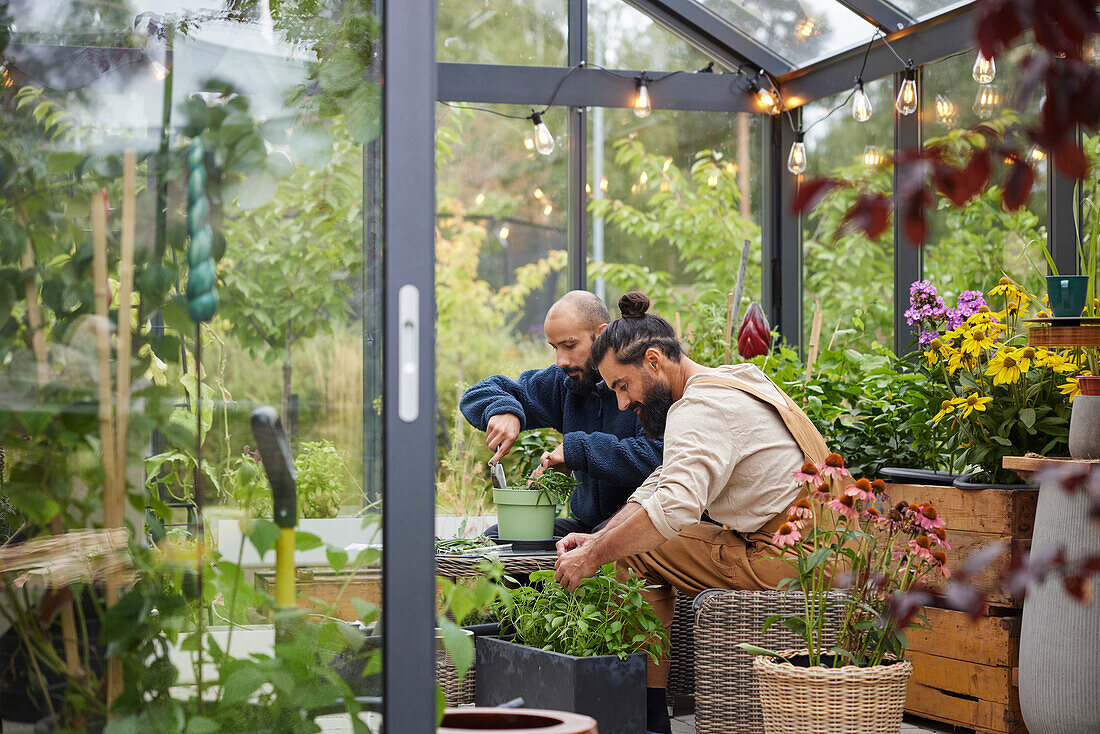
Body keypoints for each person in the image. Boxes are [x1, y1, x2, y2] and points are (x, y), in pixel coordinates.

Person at [553, 292, 828, 734]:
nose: (622, 404)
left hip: (799, 559)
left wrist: (594, 556)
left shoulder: (697, 409)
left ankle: (645, 720)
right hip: (815, 545)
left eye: (623, 385)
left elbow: (673, 507)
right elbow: (663, 482)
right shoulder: (729, 381)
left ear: (655, 362)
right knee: (628, 541)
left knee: (634, 553)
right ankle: (648, 715)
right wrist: (600, 534)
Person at [460, 290, 664, 538]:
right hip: (586, 526)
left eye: (569, 345)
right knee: (500, 540)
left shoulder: (647, 381)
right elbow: (477, 393)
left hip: (640, 525)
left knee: (599, 539)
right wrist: (502, 410)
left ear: (601, 335)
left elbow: (656, 458)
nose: (560, 360)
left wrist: (575, 450)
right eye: (555, 347)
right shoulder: (565, 381)